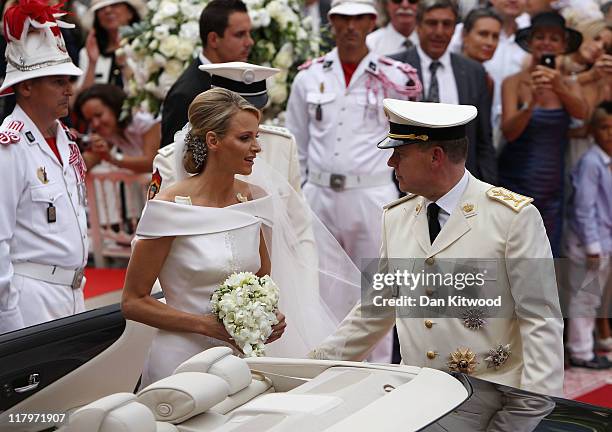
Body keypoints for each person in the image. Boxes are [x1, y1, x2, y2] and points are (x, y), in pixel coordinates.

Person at [310, 98, 565, 397]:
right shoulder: (396, 217)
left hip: (491, 400)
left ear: (436, 156)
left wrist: (536, 409)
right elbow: (374, 311)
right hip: (416, 396)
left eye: (400, 153)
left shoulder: (511, 217)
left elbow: (540, 320)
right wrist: (309, 369)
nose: (391, 163)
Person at [122, 88, 359, 386]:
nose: (257, 147)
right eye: (245, 138)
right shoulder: (169, 208)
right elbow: (133, 301)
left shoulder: (254, 200)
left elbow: (262, 278)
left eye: (256, 136)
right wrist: (205, 326)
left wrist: (267, 317)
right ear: (213, 141)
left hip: (242, 359)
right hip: (181, 361)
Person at [0, 0, 88, 333]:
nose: (69, 90)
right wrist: (9, 320)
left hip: (73, 291)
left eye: (68, 80)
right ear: (25, 87)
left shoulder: (65, 138)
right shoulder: (9, 146)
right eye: (57, 82)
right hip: (29, 298)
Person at [498, 11, 587, 257]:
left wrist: (559, 86)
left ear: (563, 46)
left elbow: (582, 114)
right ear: (530, 42)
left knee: (547, 260)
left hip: (552, 189)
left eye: (554, 38)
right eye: (540, 36)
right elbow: (509, 132)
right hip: (514, 183)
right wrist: (531, 104)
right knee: (511, 256)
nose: (547, 42)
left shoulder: (570, 83)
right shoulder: (513, 82)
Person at [391, 0, 498, 184]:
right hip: (404, 184)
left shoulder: (474, 72)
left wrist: (488, 187)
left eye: (447, 24)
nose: (439, 31)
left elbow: (483, 141)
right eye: (432, 23)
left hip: (461, 186)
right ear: (418, 25)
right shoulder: (394, 68)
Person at [160, 0, 254, 147]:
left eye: (250, 33)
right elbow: (170, 160)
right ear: (214, 39)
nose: (250, 42)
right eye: (240, 34)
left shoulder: (239, 79)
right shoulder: (186, 94)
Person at [565, 102, 612, 369]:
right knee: (585, 296)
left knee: (594, 298)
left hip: (603, 240)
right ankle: (581, 352)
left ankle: (587, 346)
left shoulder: (606, 161)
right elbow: (584, 209)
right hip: (587, 243)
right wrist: (593, 246)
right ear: (593, 131)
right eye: (604, 128)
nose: (610, 134)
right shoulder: (591, 162)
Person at [75, 84, 161, 174]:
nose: (95, 124)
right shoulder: (109, 131)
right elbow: (87, 163)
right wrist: (68, 145)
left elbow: (151, 163)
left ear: (114, 107)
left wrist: (112, 157)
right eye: (89, 120)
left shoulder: (144, 119)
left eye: (98, 115)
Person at [77, 0, 145, 92]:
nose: (108, 10)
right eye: (101, 8)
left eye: (115, 5)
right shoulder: (87, 53)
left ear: (130, 12)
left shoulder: (144, 47)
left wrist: (124, 64)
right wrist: (92, 64)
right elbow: (82, 99)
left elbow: (146, 92)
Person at [461, 8, 503, 99]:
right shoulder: (447, 72)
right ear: (464, 35)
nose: (490, 43)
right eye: (483, 34)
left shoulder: (488, 81)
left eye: (495, 36)